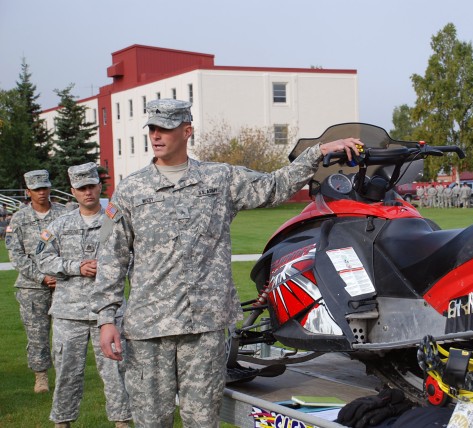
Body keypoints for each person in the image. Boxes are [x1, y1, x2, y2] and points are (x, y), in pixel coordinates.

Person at [91, 99, 363, 427]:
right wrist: (106, 319)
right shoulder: (130, 189)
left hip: (204, 328)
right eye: (152, 128)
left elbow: (274, 186)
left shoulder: (219, 180)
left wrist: (317, 153)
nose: (156, 135)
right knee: (150, 422)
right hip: (149, 329)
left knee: (203, 421)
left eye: (165, 128)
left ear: (187, 131)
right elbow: (111, 256)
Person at [37, 163, 131, 428]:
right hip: (70, 313)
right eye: (81, 188)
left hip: (109, 312)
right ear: (72, 191)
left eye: (91, 186)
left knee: (116, 372)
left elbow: (133, 255)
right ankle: (62, 422)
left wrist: (111, 266)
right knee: (67, 373)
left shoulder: (114, 220)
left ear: (99, 187)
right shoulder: (60, 224)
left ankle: (122, 422)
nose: (87, 192)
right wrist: (74, 267)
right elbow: (42, 258)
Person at [5, 170, 67, 393]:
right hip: (32, 287)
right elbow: (16, 255)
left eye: (45, 187)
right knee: (37, 334)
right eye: (37, 189)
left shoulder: (64, 214)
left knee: (65, 335)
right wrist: (42, 277)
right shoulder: (19, 218)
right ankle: (41, 377)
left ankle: (64, 376)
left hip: (63, 284)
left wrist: (60, 273)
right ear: (28, 191)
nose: (42, 193)